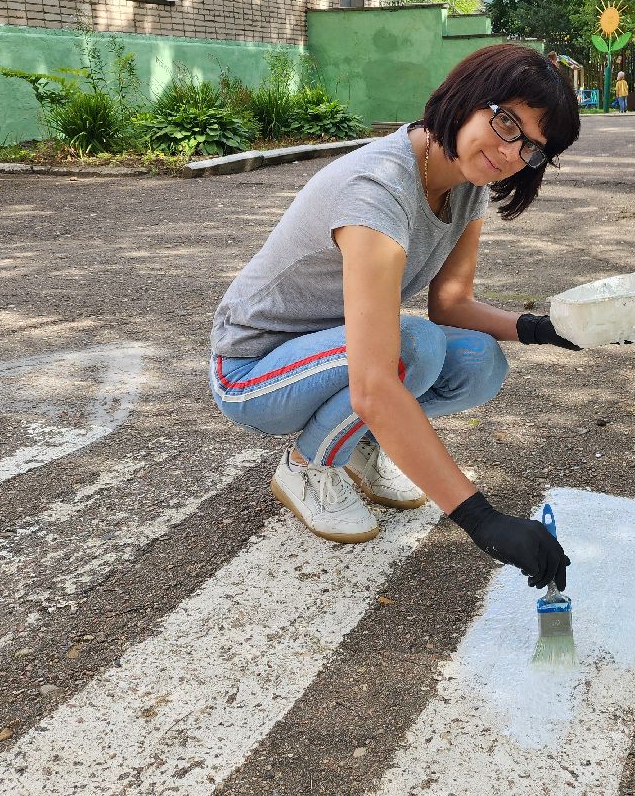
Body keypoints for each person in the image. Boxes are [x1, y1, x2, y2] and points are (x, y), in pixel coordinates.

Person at [210, 43, 581, 594]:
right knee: (414, 348)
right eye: (506, 123)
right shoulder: (378, 189)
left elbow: (451, 302)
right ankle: (307, 467)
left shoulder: (463, 184)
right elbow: (376, 383)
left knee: (480, 362)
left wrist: (539, 328)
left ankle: (356, 444)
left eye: (532, 147)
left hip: (328, 353)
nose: (510, 153)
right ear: (468, 97)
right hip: (253, 371)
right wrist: (483, 520)